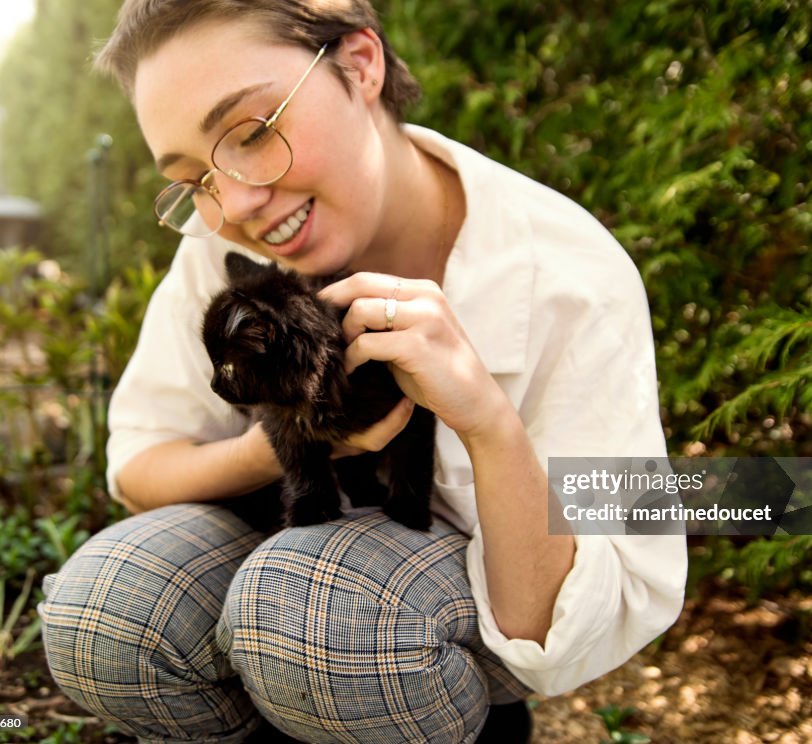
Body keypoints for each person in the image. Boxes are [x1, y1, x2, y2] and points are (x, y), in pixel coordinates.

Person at [38, 1, 687, 742]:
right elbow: (141, 465)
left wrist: (486, 423)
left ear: (360, 64)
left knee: (316, 618)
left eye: (252, 132)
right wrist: (278, 444)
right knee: (105, 613)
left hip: (439, 612)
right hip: (286, 549)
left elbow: (587, 612)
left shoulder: (575, 277)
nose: (240, 203)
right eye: (197, 180)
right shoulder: (235, 255)